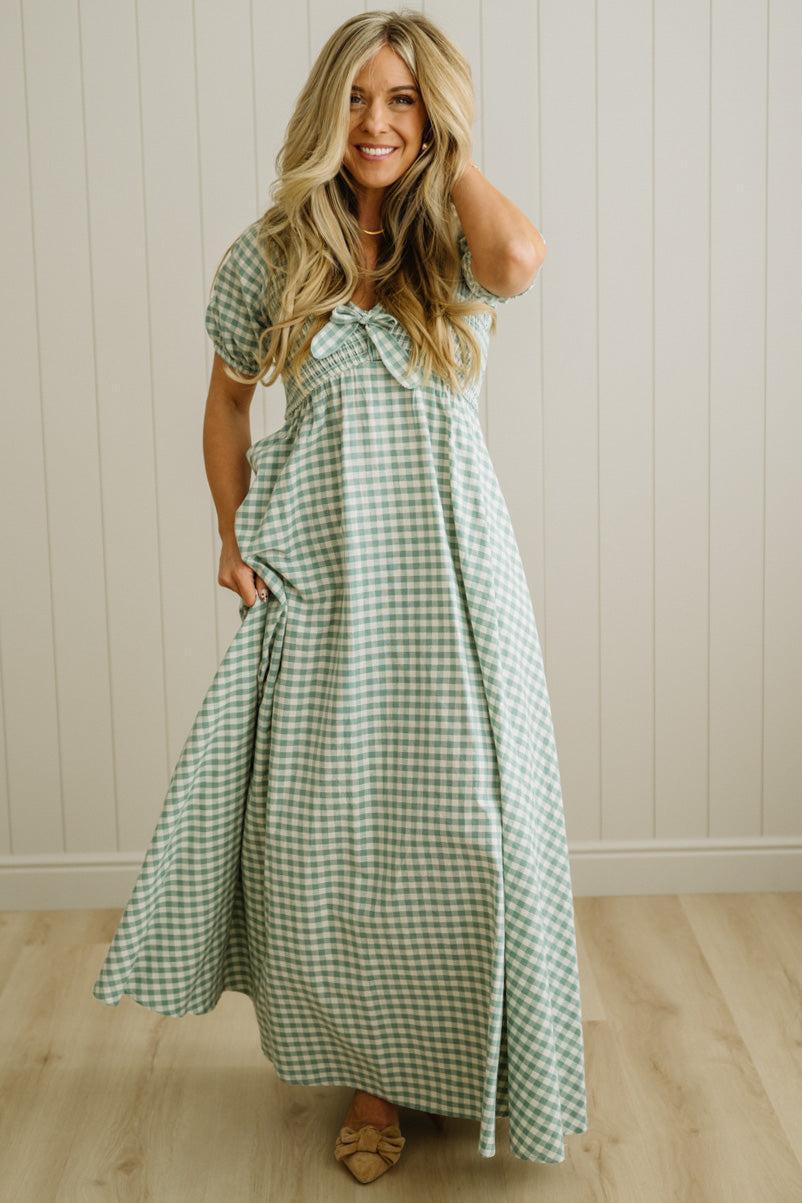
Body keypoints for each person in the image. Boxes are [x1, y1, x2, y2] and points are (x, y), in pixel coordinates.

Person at [92, 9, 588, 1186]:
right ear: (326, 109)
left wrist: (448, 156)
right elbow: (224, 403)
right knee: (336, 843)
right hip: (324, 583)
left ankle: (475, 1059)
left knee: (469, 833)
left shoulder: (453, 245)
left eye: (403, 99)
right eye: (358, 98)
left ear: (435, 118)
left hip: (456, 585)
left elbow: (523, 261)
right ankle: (371, 1080)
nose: (376, 122)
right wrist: (229, 531)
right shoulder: (269, 257)